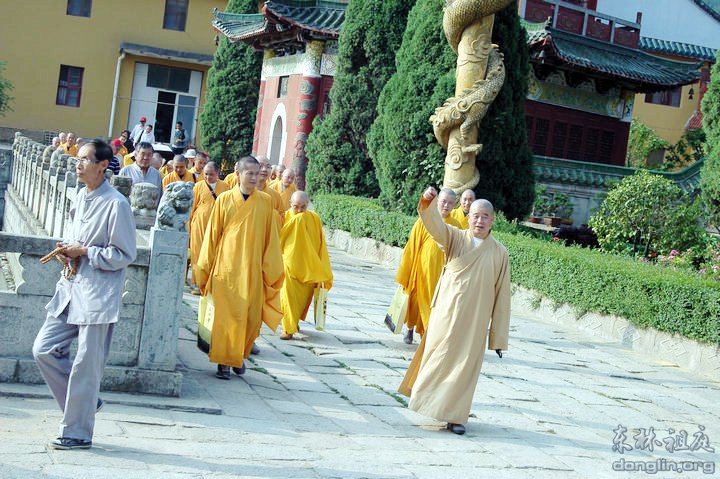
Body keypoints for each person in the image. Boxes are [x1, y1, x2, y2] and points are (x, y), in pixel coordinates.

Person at [32, 138, 137, 450]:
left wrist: (87, 251)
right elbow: (75, 237)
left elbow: (124, 254)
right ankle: (87, 402)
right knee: (43, 349)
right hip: (70, 287)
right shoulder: (80, 196)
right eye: (77, 159)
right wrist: (68, 250)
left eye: (84, 160)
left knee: (86, 365)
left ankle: (77, 433)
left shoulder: (117, 204)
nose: (77, 165)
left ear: (103, 165)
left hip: (98, 294)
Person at [398, 186, 510, 436]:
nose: (480, 221)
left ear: (492, 220)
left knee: (464, 369)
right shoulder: (455, 237)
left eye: (485, 217)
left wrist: (498, 337)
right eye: (475, 216)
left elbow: (502, 296)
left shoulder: (500, 253)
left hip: (476, 321)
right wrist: (428, 201)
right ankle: (427, 402)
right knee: (438, 358)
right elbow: (435, 226)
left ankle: (456, 417)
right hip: (446, 314)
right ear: (468, 217)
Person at [195, 155, 284, 380]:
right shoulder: (224, 199)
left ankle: (238, 355)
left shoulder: (265, 202)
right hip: (226, 269)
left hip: (253, 270)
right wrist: (204, 268)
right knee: (226, 317)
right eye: (249, 173)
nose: (254, 178)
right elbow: (212, 236)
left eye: (257, 173)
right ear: (238, 174)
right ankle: (224, 362)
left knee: (251, 318)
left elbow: (271, 239)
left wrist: (270, 271)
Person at [395, 188, 461, 345]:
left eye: (450, 203)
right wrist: (409, 268)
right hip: (422, 269)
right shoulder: (424, 220)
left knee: (435, 304)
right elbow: (412, 244)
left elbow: (459, 250)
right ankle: (410, 328)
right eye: (443, 201)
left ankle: (427, 335)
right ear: (437, 202)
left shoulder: (456, 226)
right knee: (416, 301)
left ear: (454, 206)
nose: (446, 206)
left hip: (442, 273)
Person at [279, 191, 333, 340]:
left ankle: (294, 322)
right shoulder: (284, 217)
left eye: (303, 207)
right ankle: (288, 328)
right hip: (289, 264)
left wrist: (321, 264)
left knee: (301, 300)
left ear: (308, 205)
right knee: (288, 297)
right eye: (296, 207)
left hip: (309, 266)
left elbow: (320, 243)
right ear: (290, 204)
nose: (299, 210)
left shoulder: (314, 218)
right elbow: (279, 238)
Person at [188, 162, 230, 295]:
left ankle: (209, 282)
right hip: (199, 225)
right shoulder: (198, 186)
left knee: (213, 254)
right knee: (197, 253)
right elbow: (191, 207)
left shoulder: (225, 187)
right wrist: (188, 226)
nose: (208, 177)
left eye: (211, 174)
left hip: (216, 225)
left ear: (218, 174)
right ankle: (197, 283)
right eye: (205, 174)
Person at [256, 156, 285, 229]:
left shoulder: (275, 195)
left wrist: (271, 214)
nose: (264, 169)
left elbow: (282, 218)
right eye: (260, 166)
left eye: (268, 166)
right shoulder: (244, 192)